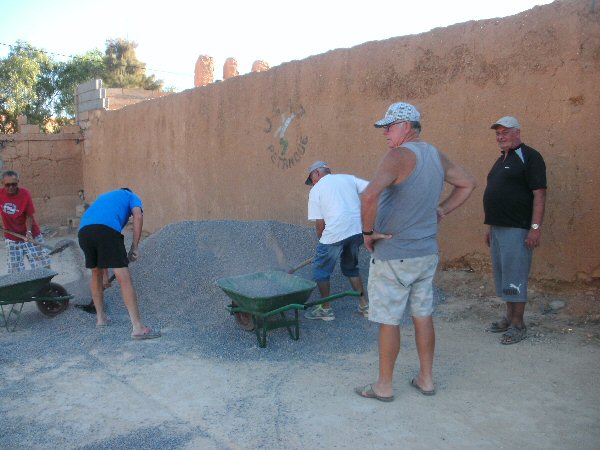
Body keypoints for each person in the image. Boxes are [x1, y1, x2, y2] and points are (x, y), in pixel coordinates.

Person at [355, 102, 476, 402]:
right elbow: (468, 183)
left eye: (390, 126)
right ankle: (426, 379)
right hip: (425, 253)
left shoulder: (398, 155)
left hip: (395, 254)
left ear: (407, 126)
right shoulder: (435, 155)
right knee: (422, 315)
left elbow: (369, 194)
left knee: (389, 320)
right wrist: (442, 210)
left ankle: (384, 386)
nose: (385, 132)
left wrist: (368, 233)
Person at [484, 116, 547, 345]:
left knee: (516, 275)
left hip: (517, 228)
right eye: (498, 133)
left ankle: (519, 324)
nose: (501, 137)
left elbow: (539, 194)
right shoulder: (502, 159)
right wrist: (491, 227)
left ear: (517, 132)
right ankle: (509, 318)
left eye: (505, 132)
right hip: (499, 228)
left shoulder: (529, 157)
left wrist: (535, 228)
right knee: (504, 275)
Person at [78, 188, 160, 339]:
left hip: (84, 231)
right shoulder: (131, 196)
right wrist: (135, 247)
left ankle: (101, 319)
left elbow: (99, 233)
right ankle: (138, 328)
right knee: (123, 276)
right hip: (105, 229)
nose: (128, 216)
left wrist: (105, 275)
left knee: (95, 273)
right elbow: (138, 215)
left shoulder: (104, 197)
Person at [304, 161, 370, 320]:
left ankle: (326, 309)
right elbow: (373, 189)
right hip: (356, 232)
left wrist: (323, 244)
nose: (312, 182)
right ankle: (365, 306)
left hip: (334, 233)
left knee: (320, 270)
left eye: (311, 178)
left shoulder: (316, 190)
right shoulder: (349, 179)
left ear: (317, 173)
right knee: (351, 267)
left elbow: (320, 225)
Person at [0, 170, 51, 273]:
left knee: (43, 265)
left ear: (18, 182)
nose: (11, 187)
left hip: (31, 235)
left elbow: (29, 216)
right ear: (2, 183)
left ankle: (47, 287)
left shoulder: (25, 194)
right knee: (15, 271)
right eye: (8, 185)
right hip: (12, 238)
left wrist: (28, 232)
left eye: (14, 184)